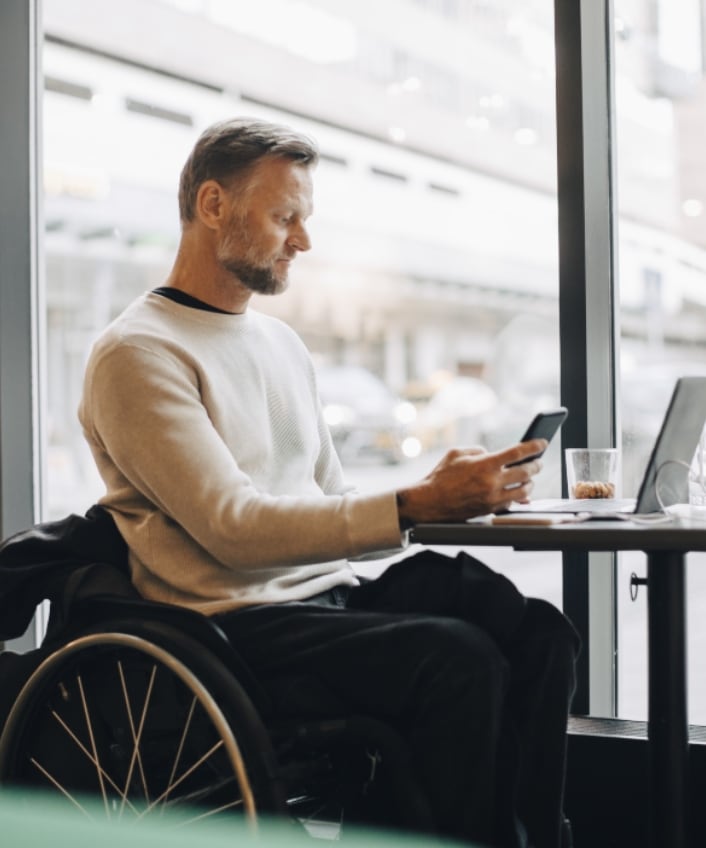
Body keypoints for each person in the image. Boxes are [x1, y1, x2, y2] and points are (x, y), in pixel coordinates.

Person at [79, 117, 578, 848]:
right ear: (213, 206)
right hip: (232, 629)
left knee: (540, 634)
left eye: (304, 219)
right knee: (458, 661)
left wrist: (439, 493)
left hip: (327, 601)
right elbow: (236, 529)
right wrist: (412, 506)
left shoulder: (281, 343)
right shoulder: (137, 353)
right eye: (285, 217)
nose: (302, 241)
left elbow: (330, 510)